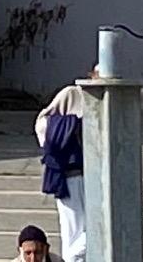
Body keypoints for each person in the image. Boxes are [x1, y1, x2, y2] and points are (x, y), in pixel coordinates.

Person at [34, 77, 87, 262]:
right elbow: (43, 125)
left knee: (75, 244)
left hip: (86, 176)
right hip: (69, 177)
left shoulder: (113, 98)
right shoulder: (72, 95)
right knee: (73, 243)